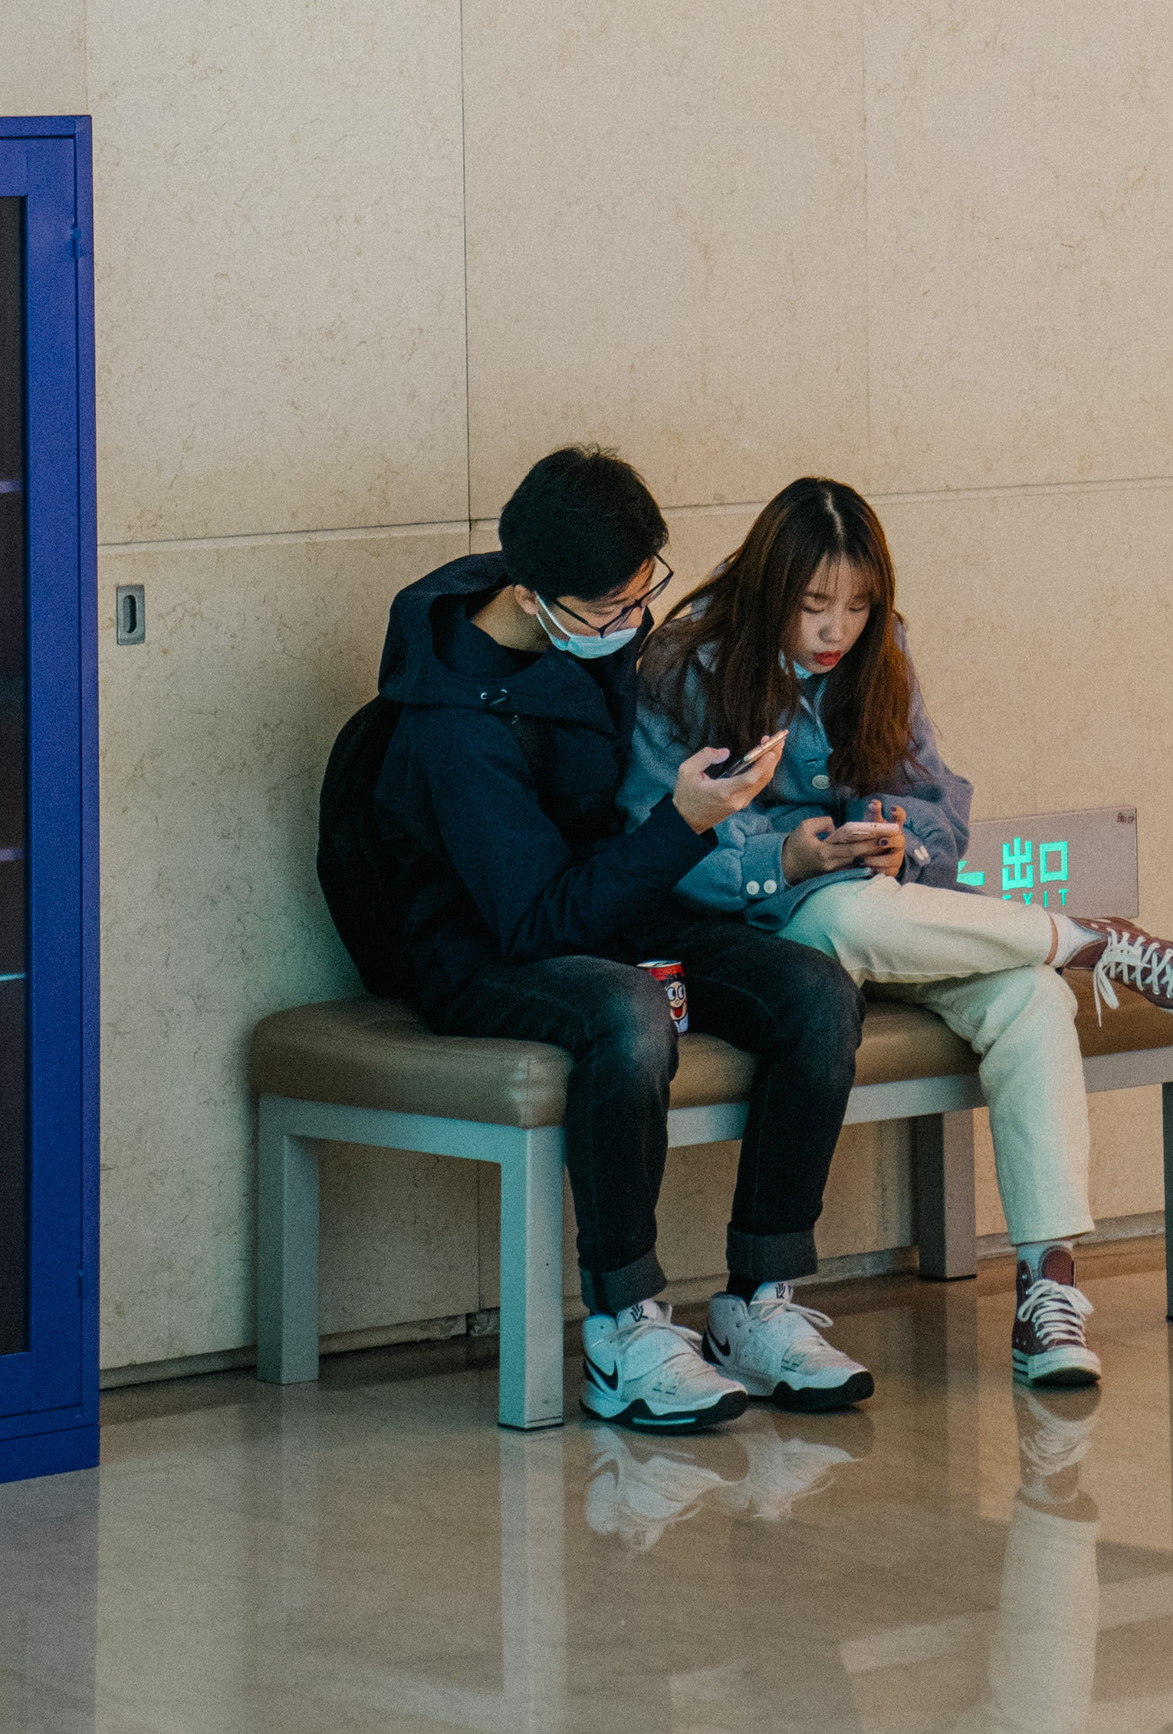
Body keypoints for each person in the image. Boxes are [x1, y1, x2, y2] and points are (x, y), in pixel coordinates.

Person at [623, 477, 1173, 1397]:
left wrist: (901, 835)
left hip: (892, 913)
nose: (837, 629)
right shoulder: (686, 663)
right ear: (770, 586)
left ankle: (1047, 1287)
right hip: (758, 929)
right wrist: (787, 855)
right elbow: (656, 839)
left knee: (1029, 996)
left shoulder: (880, 651)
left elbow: (940, 799)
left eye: (859, 605)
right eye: (814, 604)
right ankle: (1080, 937)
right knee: (850, 912)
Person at [365, 443, 874, 1429]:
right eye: (612, 610)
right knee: (626, 1011)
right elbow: (535, 919)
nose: (632, 626)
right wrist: (682, 822)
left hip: (611, 904)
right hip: (483, 950)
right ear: (531, 596)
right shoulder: (453, 720)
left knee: (814, 993)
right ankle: (622, 1325)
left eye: (644, 596)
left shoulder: (583, 625)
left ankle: (758, 1301)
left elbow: (610, 857)